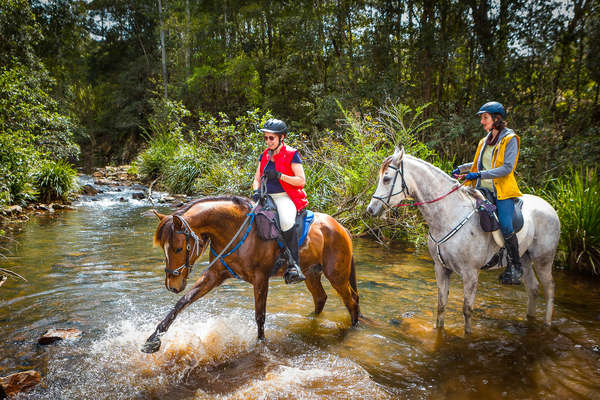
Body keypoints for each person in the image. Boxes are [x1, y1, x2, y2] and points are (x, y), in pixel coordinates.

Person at [452, 101, 523, 285]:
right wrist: (461, 168)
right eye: (482, 118)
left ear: (496, 118)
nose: (482, 122)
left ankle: (516, 266)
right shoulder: (485, 140)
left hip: (502, 191)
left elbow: (507, 168)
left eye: (485, 118)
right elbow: (478, 163)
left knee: (506, 226)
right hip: (482, 189)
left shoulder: (510, 139)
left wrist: (479, 174)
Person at [252, 119, 307, 284]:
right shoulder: (264, 155)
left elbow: (301, 181)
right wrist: (256, 191)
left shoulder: (292, 154)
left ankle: (293, 266)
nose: (268, 141)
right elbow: (256, 179)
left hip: (285, 196)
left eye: (271, 138)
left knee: (285, 222)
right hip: (266, 196)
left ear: (281, 137)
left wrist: (280, 176)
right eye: (266, 138)